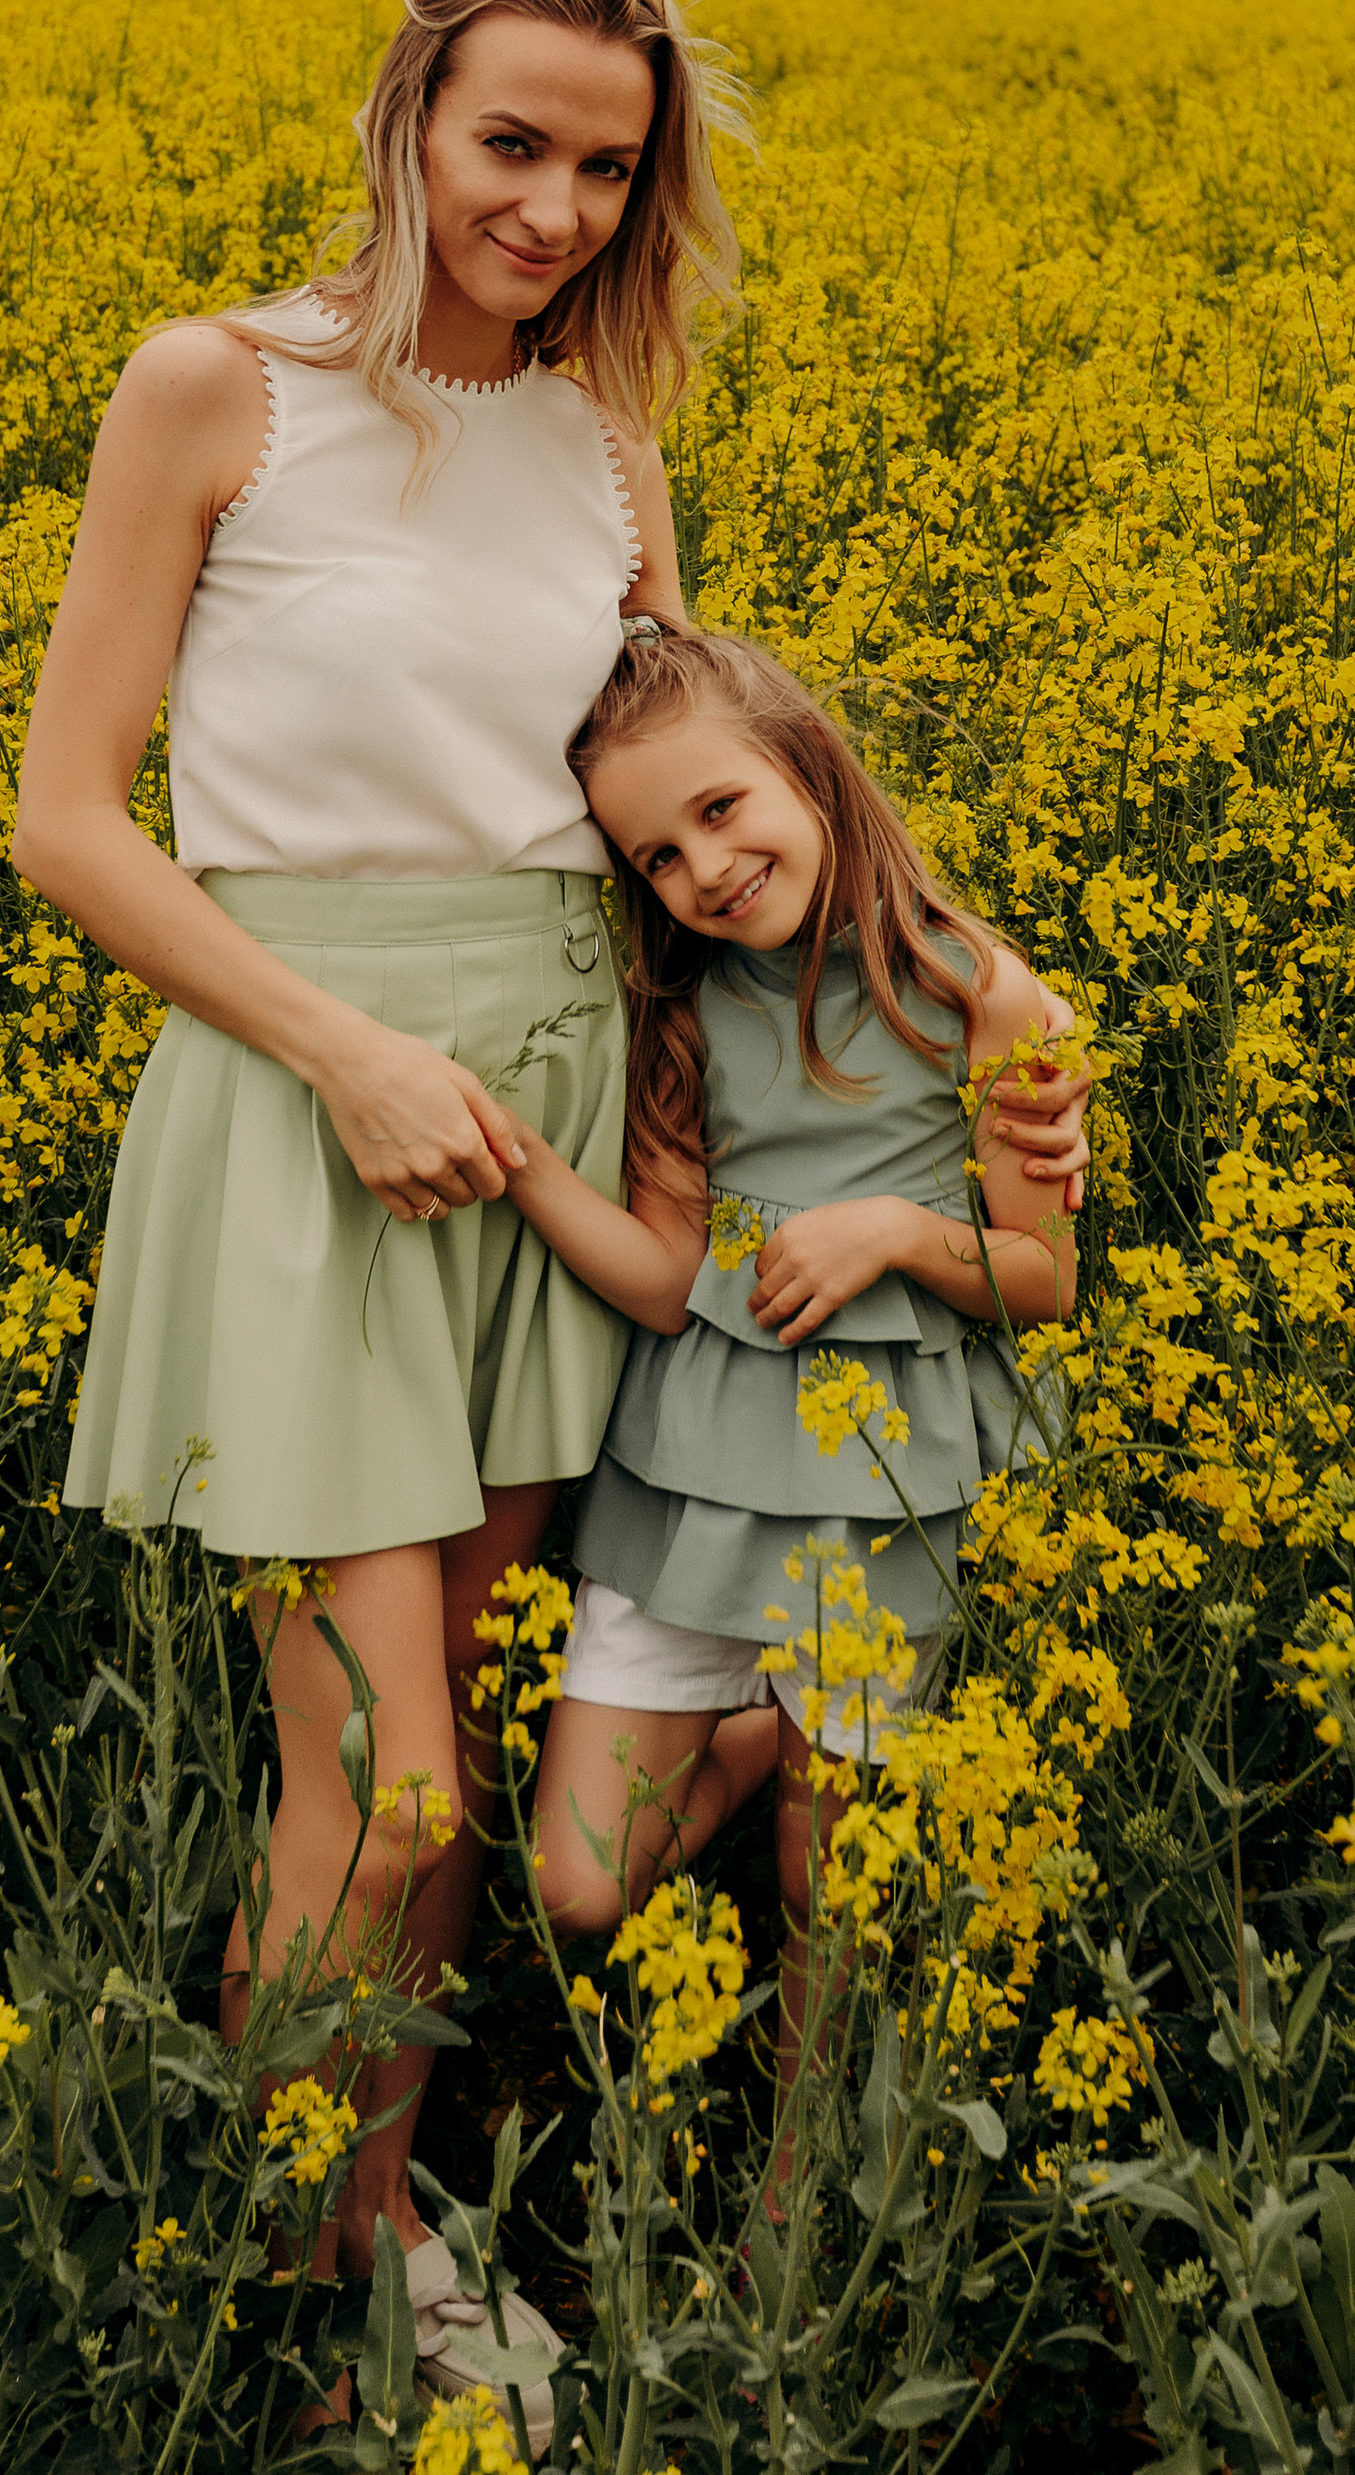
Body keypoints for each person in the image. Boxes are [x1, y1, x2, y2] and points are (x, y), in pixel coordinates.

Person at [10, 0, 733, 2432]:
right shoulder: (222, 390)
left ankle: (371, 2227)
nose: (545, 204)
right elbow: (66, 825)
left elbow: (682, 821)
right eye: (509, 143)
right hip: (323, 1115)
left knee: (455, 1755)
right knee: (382, 1766)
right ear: (411, 120)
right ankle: (308, 2316)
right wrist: (336, 1055)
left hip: (542, 1120)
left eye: (600, 168)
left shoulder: (607, 446)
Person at [489, 621, 1084, 2129]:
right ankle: (752, 1736)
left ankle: (795, 2174)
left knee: (841, 1883)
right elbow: (668, 1279)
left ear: (808, 766)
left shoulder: (982, 996)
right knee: (576, 1882)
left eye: (720, 811)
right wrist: (523, 1173)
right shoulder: (680, 1010)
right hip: (691, 1462)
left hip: (886, 1473)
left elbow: (1044, 1278)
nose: (702, 870)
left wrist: (891, 1230)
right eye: (657, 858)